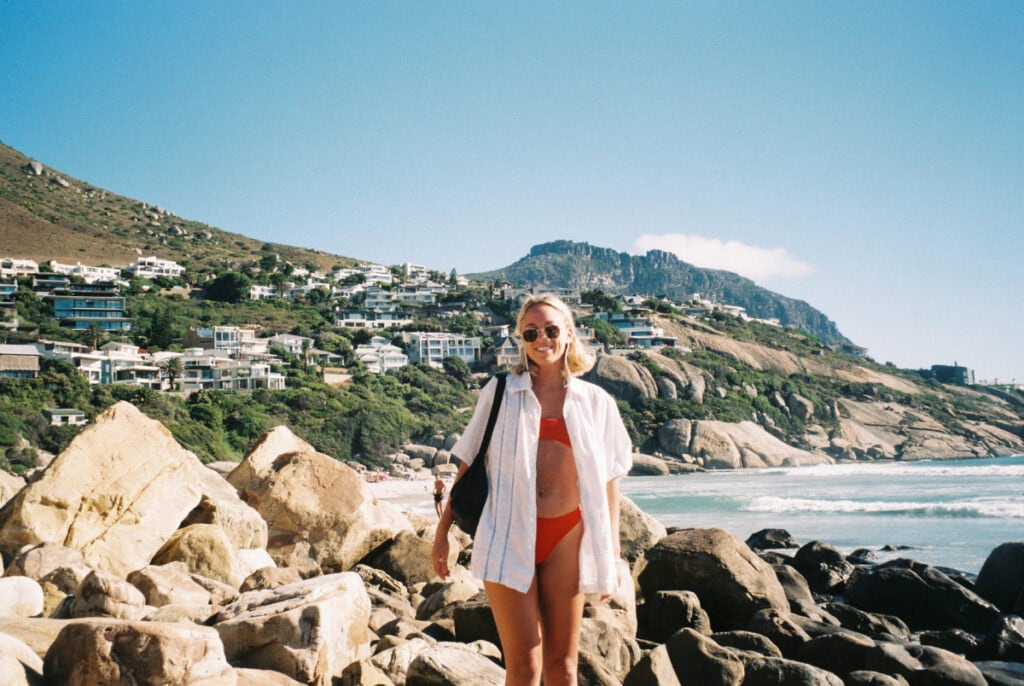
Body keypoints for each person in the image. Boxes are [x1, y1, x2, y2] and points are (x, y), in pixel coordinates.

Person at [432, 294, 632, 686]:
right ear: (521, 340)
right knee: (524, 668)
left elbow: (611, 480)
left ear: (570, 334)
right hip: (506, 535)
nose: (543, 339)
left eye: (552, 330)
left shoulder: (596, 402)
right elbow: (469, 462)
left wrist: (611, 553)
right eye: (531, 332)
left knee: (564, 666)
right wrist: (442, 533)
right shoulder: (500, 391)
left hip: (567, 539)